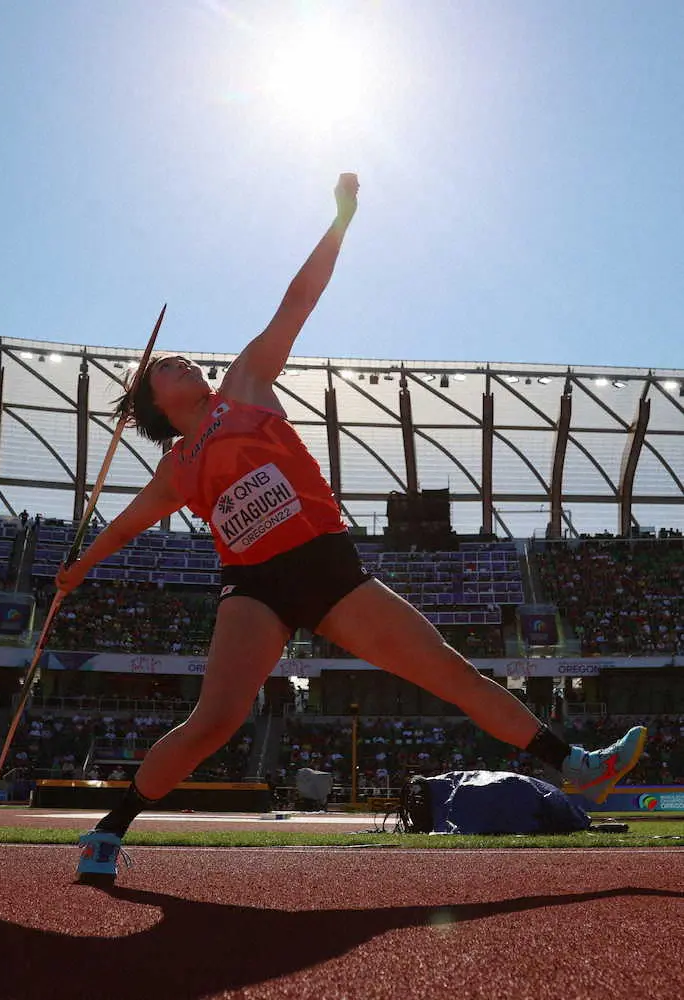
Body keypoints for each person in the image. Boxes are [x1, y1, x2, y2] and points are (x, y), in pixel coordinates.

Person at [59, 174, 646, 881]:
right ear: (155, 403)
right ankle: (109, 831)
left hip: (331, 567)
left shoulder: (246, 382)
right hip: (255, 588)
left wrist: (340, 221)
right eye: (163, 368)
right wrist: (77, 569)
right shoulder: (177, 468)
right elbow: (122, 529)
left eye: (177, 357)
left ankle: (580, 766)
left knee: (452, 673)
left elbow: (298, 301)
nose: (180, 359)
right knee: (213, 722)